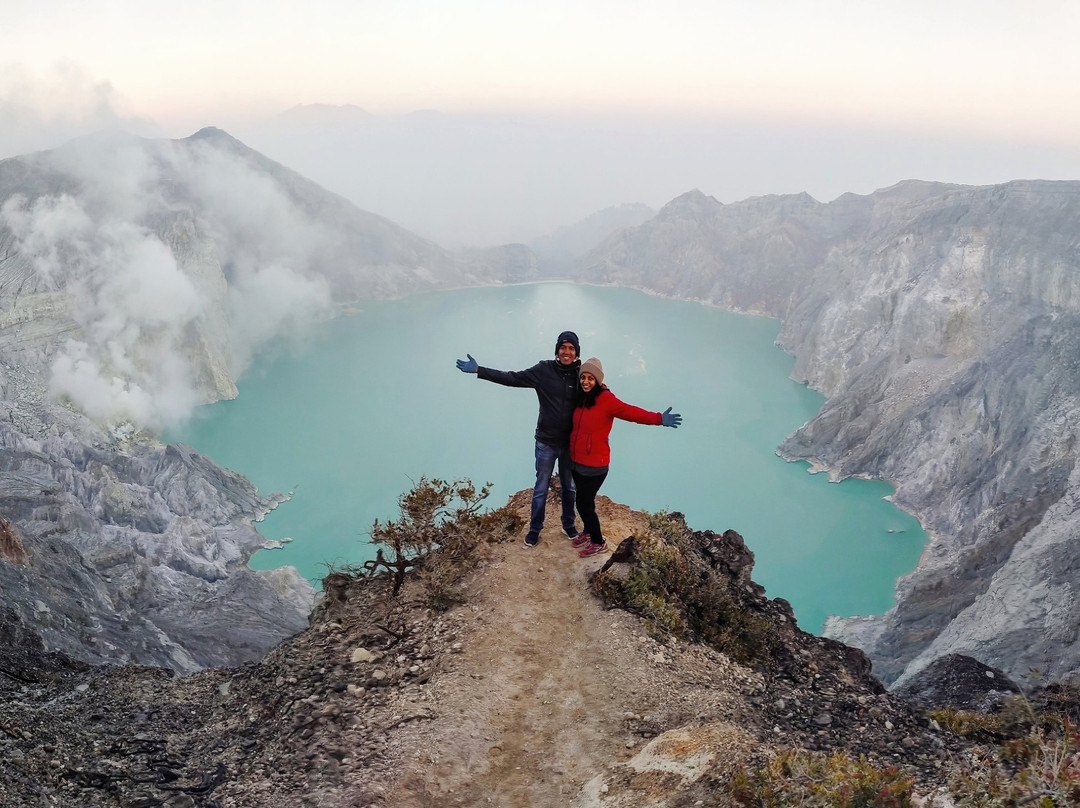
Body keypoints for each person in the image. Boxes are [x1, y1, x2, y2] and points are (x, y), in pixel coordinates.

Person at [456, 331, 582, 547]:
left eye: (571, 348)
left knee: (569, 487)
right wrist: (479, 370)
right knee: (541, 486)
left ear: (577, 353)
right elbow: (512, 377)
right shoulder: (544, 370)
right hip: (546, 441)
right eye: (563, 347)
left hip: (570, 443)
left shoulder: (581, 375)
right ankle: (535, 529)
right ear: (557, 350)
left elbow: (600, 396)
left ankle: (568, 525)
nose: (567, 352)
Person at [568, 357, 682, 558]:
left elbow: (632, 413)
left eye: (590, 378)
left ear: (599, 381)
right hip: (577, 462)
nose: (586, 381)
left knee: (584, 503)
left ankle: (598, 542)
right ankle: (587, 531)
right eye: (583, 377)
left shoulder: (607, 400)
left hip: (596, 465)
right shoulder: (581, 398)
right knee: (581, 501)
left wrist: (658, 418)